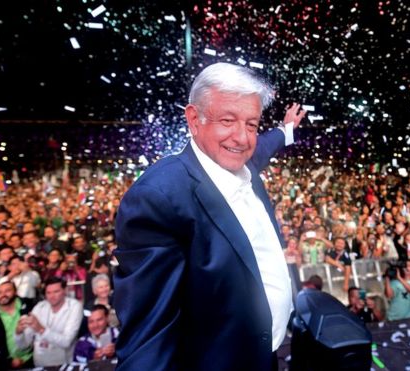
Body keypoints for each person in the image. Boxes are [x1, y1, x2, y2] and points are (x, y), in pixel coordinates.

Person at [114, 62, 306, 371]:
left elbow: (264, 144)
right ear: (194, 119)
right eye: (227, 120)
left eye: (252, 124)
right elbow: (148, 336)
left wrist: (286, 130)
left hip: (266, 357)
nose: (242, 138)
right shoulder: (158, 197)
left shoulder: (242, 158)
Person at [14, 277, 83, 367]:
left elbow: (66, 342)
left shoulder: (74, 306)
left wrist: (41, 329)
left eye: (56, 291)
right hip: (39, 364)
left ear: (65, 291)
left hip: (63, 364)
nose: (52, 296)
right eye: (48, 293)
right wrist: (18, 333)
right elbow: (24, 346)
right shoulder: (39, 307)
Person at [0, 279, 36, 369]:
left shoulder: (29, 306)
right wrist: (9, 361)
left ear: (15, 292)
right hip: (5, 363)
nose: (3, 295)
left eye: (7, 291)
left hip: (32, 358)